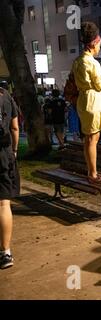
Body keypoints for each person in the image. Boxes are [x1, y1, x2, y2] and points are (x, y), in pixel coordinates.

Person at [71, 21, 101, 184]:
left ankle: (92, 171)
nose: (99, 48)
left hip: (83, 101)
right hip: (93, 101)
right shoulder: (92, 62)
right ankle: (93, 174)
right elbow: (100, 85)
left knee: (88, 139)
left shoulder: (78, 60)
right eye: (99, 45)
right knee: (92, 140)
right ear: (94, 43)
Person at [0, 86, 20, 269]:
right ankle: (5, 252)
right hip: (3, 154)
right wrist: (14, 151)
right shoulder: (5, 95)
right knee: (3, 203)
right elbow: (15, 127)